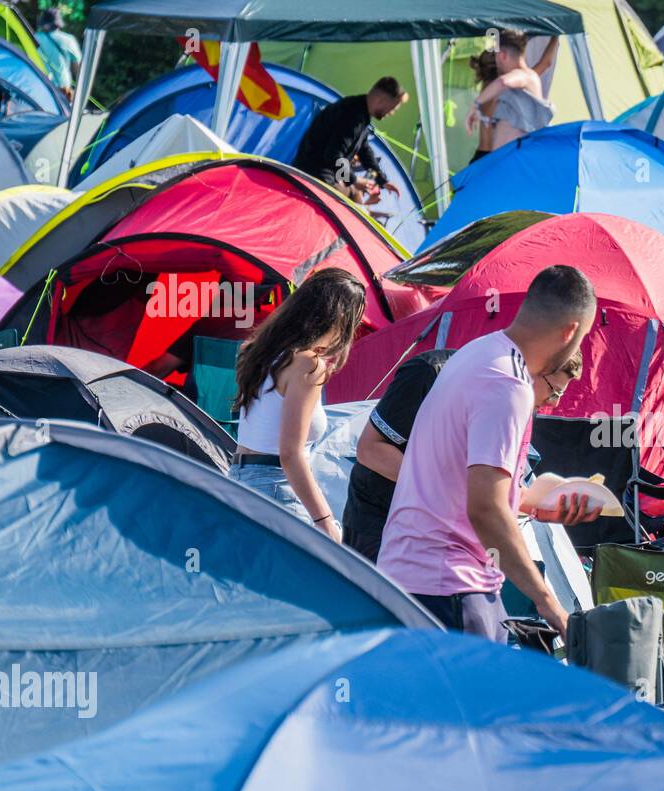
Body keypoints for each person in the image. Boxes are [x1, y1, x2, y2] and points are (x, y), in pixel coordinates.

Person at [377, 266, 601, 642]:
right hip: (450, 587)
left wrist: (537, 503)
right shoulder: (508, 385)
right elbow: (485, 508)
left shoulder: (479, 352)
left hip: (411, 575)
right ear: (570, 332)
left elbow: (475, 486)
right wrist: (550, 603)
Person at [342, 348, 582, 563]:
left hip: (447, 541)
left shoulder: (521, 407)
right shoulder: (430, 372)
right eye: (554, 390)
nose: (554, 403)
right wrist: (453, 489)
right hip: (381, 526)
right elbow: (370, 450)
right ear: (533, 367)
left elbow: (501, 489)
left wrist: (546, 504)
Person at [230, 268, 366, 542]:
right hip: (276, 487)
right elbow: (290, 453)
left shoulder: (255, 351)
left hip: (238, 478)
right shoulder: (307, 365)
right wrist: (325, 520)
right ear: (339, 318)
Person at [292, 77, 407, 204]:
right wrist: (353, 180)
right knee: (351, 202)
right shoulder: (353, 116)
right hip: (313, 175)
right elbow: (332, 155)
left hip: (324, 174)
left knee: (355, 195)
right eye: (393, 107)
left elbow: (364, 150)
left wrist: (383, 180)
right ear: (381, 100)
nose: (391, 113)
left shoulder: (360, 113)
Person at [466, 31, 557, 151]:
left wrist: (476, 105)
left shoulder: (519, 79)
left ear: (502, 56)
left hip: (494, 156)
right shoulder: (524, 78)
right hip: (498, 157)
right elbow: (546, 63)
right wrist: (555, 39)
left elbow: (503, 82)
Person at [35, 9, 80, 102]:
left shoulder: (33, 38)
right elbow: (78, 68)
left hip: (40, 86)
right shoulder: (69, 40)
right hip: (63, 90)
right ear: (58, 23)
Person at [467, 51, 500, 164]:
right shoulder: (498, 89)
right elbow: (545, 65)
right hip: (489, 158)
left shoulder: (486, 87)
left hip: (481, 156)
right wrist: (554, 42)